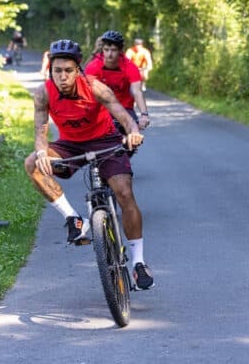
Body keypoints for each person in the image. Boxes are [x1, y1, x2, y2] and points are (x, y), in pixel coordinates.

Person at [23, 39, 154, 290]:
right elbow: (41, 132)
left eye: (68, 70)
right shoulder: (43, 93)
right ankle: (74, 219)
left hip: (105, 141)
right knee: (32, 163)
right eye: (57, 70)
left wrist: (134, 132)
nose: (62, 76)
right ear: (50, 70)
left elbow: (125, 118)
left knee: (124, 193)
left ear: (78, 69)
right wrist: (42, 153)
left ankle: (138, 263)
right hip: (70, 146)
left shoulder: (96, 88)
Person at [85, 30, 150, 133]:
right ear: (102, 49)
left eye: (113, 50)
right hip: (101, 108)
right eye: (106, 50)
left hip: (124, 108)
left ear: (120, 51)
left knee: (133, 134)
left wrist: (144, 114)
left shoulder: (130, 67)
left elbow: (137, 92)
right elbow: (86, 91)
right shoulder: (94, 66)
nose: (109, 54)